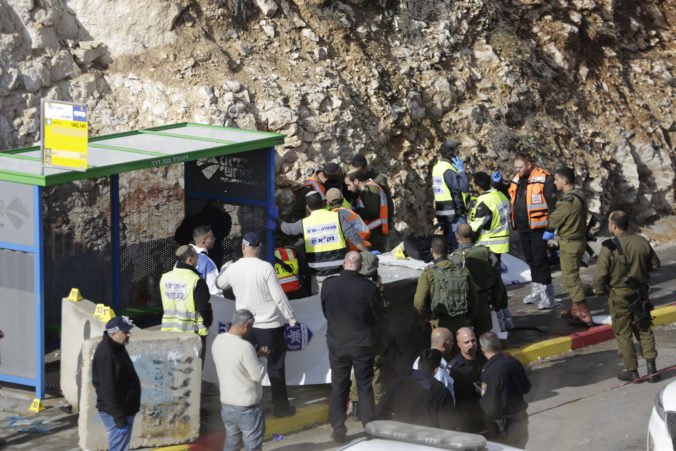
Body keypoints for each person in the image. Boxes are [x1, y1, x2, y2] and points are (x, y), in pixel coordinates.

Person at [216, 232, 298, 417]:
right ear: (259, 248)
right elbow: (278, 296)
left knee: (247, 367)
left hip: (246, 327)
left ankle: (251, 406)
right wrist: (291, 318)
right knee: (275, 368)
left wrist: (225, 268)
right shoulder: (265, 267)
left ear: (243, 247)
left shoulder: (234, 268)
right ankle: (281, 408)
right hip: (270, 327)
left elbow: (220, 284)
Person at [321, 251, 383, 443]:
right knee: (364, 386)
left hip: (337, 343)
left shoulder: (329, 284)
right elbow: (377, 316)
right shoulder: (368, 287)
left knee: (339, 385)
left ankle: (338, 429)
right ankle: (368, 427)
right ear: (359, 266)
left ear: (344, 263)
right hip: (362, 344)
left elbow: (325, 310)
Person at [593, 210, 661, 383]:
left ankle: (632, 372)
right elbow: (655, 265)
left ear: (614, 226)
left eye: (609, 223)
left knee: (623, 333)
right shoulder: (641, 241)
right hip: (640, 293)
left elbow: (600, 276)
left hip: (619, 294)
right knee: (644, 328)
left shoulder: (609, 246)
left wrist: (601, 291)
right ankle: (652, 369)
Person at [212, 309, 268, 451]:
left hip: (226, 405)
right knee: (252, 445)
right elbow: (257, 375)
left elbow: (233, 363)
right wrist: (263, 358)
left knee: (232, 442)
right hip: (246, 408)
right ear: (246, 326)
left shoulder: (218, 340)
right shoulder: (245, 347)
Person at [508, 152, 558, 309]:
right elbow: (510, 193)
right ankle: (536, 290)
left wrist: (551, 228)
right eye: (516, 167)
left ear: (529, 164)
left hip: (539, 228)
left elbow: (552, 205)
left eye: (520, 167)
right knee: (530, 260)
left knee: (540, 261)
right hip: (522, 227)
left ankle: (547, 294)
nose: (518, 170)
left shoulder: (544, 178)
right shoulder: (517, 178)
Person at [548, 167, 593, 326]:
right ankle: (575, 309)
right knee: (573, 275)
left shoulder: (567, 202)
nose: (555, 182)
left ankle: (584, 313)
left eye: (556, 179)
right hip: (578, 241)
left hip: (570, 243)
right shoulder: (578, 195)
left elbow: (553, 221)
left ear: (565, 181)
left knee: (570, 279)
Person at [280, 191, 348, 294]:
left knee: (319, 303)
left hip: (318, 274)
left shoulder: (305, 222)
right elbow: (354, 236)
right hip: (339, 270)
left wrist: (275, 218)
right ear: (324, 203)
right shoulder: (336, 217)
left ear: (307, 207)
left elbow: (288, 229)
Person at [413, 235, 480, 338]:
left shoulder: (428, 273)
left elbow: (419, 302)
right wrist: (468, 317)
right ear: (448, 250)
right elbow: (474, 297)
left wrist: (425, 318)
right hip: (462, 322)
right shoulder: (462, 270)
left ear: (432, 251)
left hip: (439, 324)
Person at [92, 316, 141, 451]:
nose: (129, 334)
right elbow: (107, 390)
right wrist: (119, 419)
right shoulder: (107, 354)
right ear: (114, 333)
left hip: (125, 409)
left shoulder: (117, 347)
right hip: (117, 413)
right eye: (125, 332)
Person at [377, 349, 457, 429]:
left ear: (418, 364)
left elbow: (381, 411)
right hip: (426, 439)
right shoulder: (441, 391)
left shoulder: (398, 382)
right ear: (436, 369)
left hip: (398, 436)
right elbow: (448, 426)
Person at [479, 331, 531, 448]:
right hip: (520, 417)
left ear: (483, 350)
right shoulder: (514, 362)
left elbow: (490, 406)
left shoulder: (489, 370)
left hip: (504, 423)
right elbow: (526, 387)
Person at [160, 245, 212, 353]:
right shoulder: (196, 280)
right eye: (196, 256)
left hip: (169, 331)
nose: (198, 258)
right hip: (192, 333)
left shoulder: (165, 277)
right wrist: (208, 321)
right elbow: (203, 308)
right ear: (190, 260)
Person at [450, 224, 500, 335]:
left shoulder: (455, 258)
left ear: (457, 237)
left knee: (468, 336)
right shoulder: (485, 252)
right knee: (485, 335)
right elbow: (496, 277)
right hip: (485, 299)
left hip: (466, 304)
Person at [431, 140, 470, 249]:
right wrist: (461, 171)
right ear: (451, 154)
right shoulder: (448, 170)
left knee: (449, 241)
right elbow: (464, 187)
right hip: (455, 213)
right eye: (457, 151)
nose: (459, 153)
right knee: (460, 243)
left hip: (443, 211)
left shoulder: (437, 167)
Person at [449, 327, 486, 433]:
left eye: (473, 340)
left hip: (486, 414)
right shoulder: (454, 368)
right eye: (466, 342)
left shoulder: (484, 357)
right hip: (468, 419)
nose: (471, 344)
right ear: (459, 345)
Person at [174, 200, 231, 266]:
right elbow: (224, 233)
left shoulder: (191, 219)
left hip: (192, 255)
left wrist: (193, 242)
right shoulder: (223, 218)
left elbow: (179, 237)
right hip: (214, 255)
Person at [344, 171, 391, 252]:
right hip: (376, 230)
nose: (348, 188)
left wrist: (353, 213)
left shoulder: (370, 190)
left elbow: (371, 211)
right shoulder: (370, 189)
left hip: (375, 232)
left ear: (356, 181)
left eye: (349, 185)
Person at [469, 171, 510, 257]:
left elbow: (474, 228)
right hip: (501, 243)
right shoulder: (500, 195)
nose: (470, 184)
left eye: (472, 183)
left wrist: (468, 244)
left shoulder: (483, 203)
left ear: (479, 187)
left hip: (487, 245)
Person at [348, 153, 394, 229]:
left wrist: (353, 214)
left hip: (377, 224)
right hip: (370, 222)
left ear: (364, 169)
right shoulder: (359, 175)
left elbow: (372, 210)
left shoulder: (377, 181)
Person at [412, 327, 455, 400]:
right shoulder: (438, 367)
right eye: (451, 341)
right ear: (444, 345)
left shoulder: (419, 360)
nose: (453, 344)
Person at [191, 225, 221, 296]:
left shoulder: (180, 260)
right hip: (200, 305)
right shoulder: (207, 263)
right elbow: (216, 293)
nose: (214, 239)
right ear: (203, 242)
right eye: (211, 237)